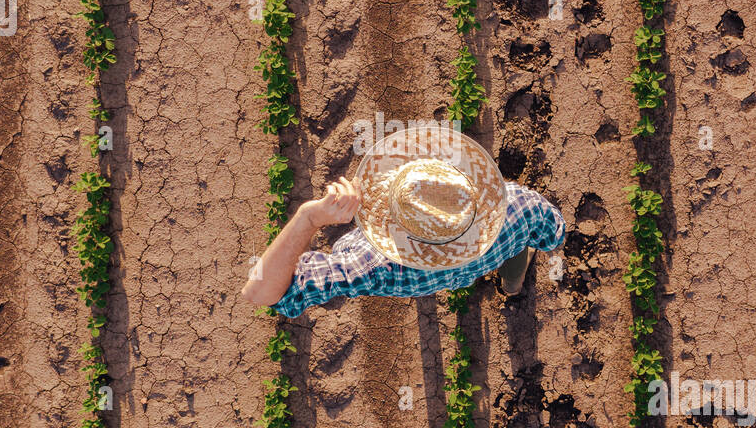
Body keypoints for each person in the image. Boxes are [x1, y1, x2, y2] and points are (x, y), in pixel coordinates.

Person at [241, 124, 565, 318]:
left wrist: (308, 218)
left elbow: (261, 293)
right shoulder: (521, 205)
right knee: (516, 247)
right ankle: (512, 286)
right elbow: (553, 233)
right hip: (502, 242)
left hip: (419, 280)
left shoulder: (376, 267)